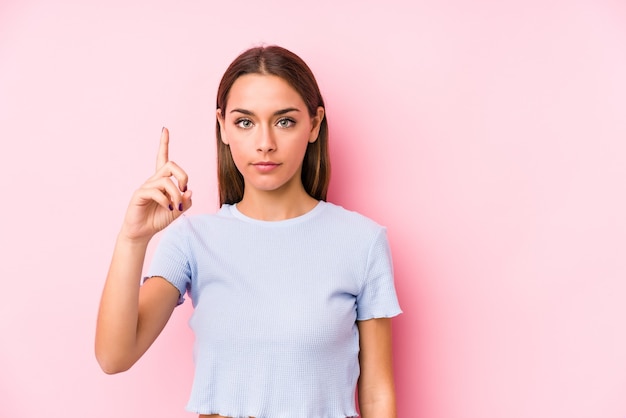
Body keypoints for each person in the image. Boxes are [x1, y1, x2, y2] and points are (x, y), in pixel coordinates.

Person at [95, 45, 402, 418]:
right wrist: (133, 238)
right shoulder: (192, 240)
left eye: (284, 121)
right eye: (245, 122)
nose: (265, 143)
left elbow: (376, 394)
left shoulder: (361, 241)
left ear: (314, 124)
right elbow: (114, 356)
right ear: (223, 126)